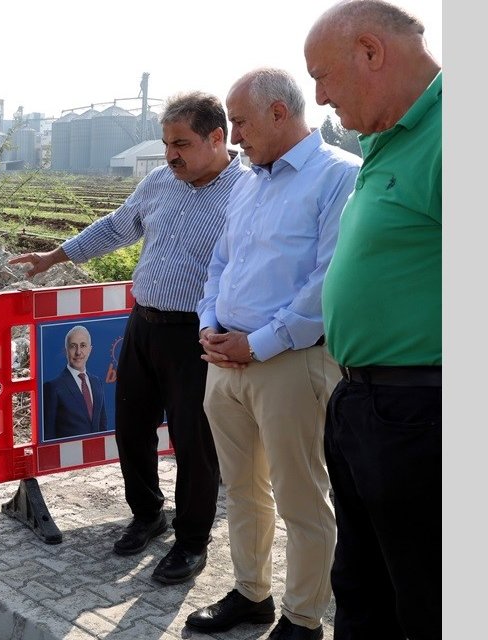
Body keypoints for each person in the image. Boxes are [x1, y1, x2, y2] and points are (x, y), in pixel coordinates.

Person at [9, 91, 248, 585]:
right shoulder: (161, 182)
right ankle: (147, 514)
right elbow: (118, 226)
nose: (169, 155)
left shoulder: (248, 191)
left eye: (180, 143)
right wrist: (53, 258)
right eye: (166, 143)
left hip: (199, 335)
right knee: (130, 426)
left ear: (217, 138)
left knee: (194, 443)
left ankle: (191, 541)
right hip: (143, 325)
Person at [186, 68, 360, 640]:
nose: (233, 136)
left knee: (301, 497)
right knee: (240, 490)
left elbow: (327, 280)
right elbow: (221, 264)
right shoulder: (248, 182)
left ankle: (304, 617)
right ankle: (251, 594)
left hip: (289, 363)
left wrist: (257, 343)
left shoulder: (338, 177)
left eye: (240, 122)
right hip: (225, 362)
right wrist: (211, 324)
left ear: (280, 114)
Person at [303, 3, 441, 639]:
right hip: (363, 401)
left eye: (323, 77)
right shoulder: (387, 139)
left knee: (428, 598)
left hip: (422, 413)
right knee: (361, 588)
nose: (321, 97)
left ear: (370, 52)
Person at [40, 324, 108, 440]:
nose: (78, 352)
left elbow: (102, 425)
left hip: (95, 453)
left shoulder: (97, 383)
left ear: (90, 350)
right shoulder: (53, 387)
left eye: (83, 346)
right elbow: (48, 433)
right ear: (65, 351)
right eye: (73, 346)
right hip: (68, 455)